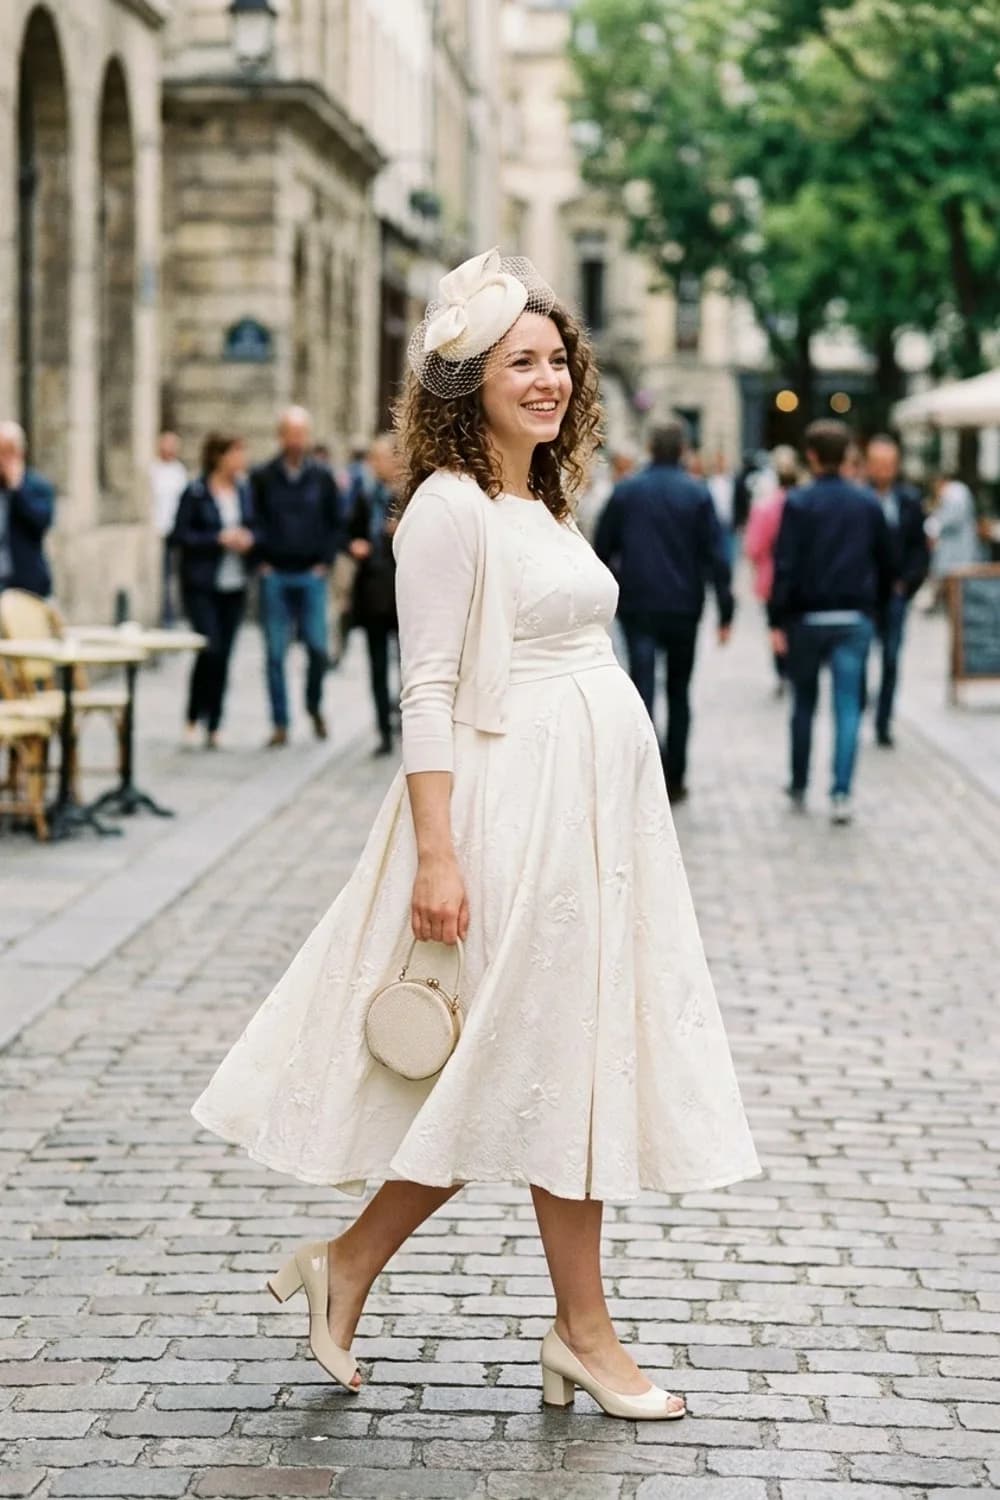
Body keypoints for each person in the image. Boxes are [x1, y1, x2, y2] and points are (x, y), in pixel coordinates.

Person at [192, 246, 759, 1422]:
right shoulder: (445, 512)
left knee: (548, 1067)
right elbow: (429, 692)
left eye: (557, 360)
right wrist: (437, 856)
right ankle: (575, 1330)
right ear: (468, 381)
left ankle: (368, 1272)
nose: (547, 380)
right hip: (512, 823)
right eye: (521, 363)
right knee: (530, 1064)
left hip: (590, 828)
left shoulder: (538, 501)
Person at [595, 420, 733, 803]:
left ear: (651, 447)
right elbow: (717, 557)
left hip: (638, 604)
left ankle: (648, 768)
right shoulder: (698, 494)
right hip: (684, 607)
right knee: (679, 691)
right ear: (684, 449)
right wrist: (726, 610)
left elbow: (602, 550)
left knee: (641, 690)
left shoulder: (627, 492)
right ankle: (677, 775)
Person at [770, 420, 893, 825]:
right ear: (848, 456)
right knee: (848, 708)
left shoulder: (799, 503)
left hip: (807, 618)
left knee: (803, 704)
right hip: (853, 618)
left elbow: (784, 566)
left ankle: (800, 781)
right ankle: (841, 792)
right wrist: (876, 609)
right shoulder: (867, 503)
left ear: (811, 456)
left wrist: (777, 619)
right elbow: (886, 563)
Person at [250, 407, 344, 746]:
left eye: (301, 433)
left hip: (311, 573)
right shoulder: (263, 477)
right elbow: (254, 519)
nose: (296, 440)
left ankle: (313, 704)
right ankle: (280, 722)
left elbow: (336, 521)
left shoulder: (321, 476)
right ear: (281, 436)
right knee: (275, 653)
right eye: (290, 433)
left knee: (318, 648)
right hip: (275, 572)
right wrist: (260, 561)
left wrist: (326, 561)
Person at [169, 434, 255, 749]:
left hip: (234, 584)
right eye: (236, 453)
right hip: (202, 584)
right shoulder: (196, 492)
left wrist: (248, 538)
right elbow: (180, 536)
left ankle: (215, 722)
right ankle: (193, 715)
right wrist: (218, 538)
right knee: (210, 649)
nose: (241, 460)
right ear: (220, 456)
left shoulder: (244, 491)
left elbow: (255, 525)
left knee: (225, 655)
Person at [863, 435, 930, 747]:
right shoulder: (860, 498)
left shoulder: (910, 500)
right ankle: (861, 701)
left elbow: (920, 548)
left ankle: (883, 721)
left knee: (891, 658)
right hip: (863, 595)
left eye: (888, 464)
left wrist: (908, 582)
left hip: (895, 594)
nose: (883, 470)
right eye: (877, 464)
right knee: (860, 655)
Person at [348, 432, 400, 757]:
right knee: (377, 666)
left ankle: (409, 726)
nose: (375, 464)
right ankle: (383, 730)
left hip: (404, 592)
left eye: (380, 458)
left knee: (411, 668)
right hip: (372, 592)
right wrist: (354, 545)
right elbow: (348, 532)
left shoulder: (413, 497)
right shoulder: (365, 496)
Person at [744, 445, 801, 693]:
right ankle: (795, 666)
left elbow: (754, 546)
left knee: (776, 626)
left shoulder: (766, 507)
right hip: (803, 579)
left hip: (771, 577)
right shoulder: (806, 504)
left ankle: (782, 670)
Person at [0, 421, 55, 598]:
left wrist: (17, 489)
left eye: (8, 451)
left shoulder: (36, 487)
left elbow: (41, 522)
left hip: (26, 584)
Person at [925, 471, 981, 608]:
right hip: (955, 551)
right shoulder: (955, 493)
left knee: (956, 587)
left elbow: (951, 518)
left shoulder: (956, 493)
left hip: (958, 553)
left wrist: (934, 525)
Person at [151, 431, 189, 627]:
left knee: (176, 574)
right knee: (163, 575)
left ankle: (175, 613)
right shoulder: (153, 470)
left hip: (176, 530)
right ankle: (166, 616)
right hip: (159, 529)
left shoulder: (179, 471)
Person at [706, 451, 738, 568]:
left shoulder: (731, 481)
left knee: (729, 555)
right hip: (714, 523)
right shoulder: (709, 481)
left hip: (729, 523)